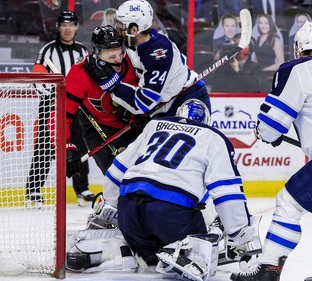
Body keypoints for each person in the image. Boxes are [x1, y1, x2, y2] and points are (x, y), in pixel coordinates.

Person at [96, 99, 261, 279]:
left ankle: (128, 251)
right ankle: (187, 253)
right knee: (212, 225)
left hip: (129, 212)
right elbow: (227, 193)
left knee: (150, 257)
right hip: (170, 216)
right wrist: (239, 234)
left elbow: (115, 171)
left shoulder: (155, 125)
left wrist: (111, 207)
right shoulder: (214, 137)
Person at [231, 21, 312, 281]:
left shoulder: (299, 69)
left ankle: (267, 271)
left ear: (299, 47)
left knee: (289, 203)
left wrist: (267, 133)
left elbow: (271, 126)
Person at [84, 0, 211, 120]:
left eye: (121, 25)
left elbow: (142, 102)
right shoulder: (133, 41)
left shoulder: (158, 54)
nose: (117, 28)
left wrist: (112, 84)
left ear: (134, 30)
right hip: (162, 105)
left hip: (186, 99)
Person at [25, 11, 93, 208]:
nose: (68, 28)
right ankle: (34, 190)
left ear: (76, 28)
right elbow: (38, 75)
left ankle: (82, 189)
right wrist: (53, 94)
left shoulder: (82, 52)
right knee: (45, 148)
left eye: (71, 25)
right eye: (64, 25)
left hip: (76, 107)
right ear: (58, 27)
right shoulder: (48, 50)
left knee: (80, 146)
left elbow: (88, 79)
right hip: (51, 105)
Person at [53, 25, 139, 181]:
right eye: (111, 57)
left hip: (134, 123)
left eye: (120, 53)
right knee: (117, 179)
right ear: (97, 53)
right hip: (98, 127)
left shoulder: (133, 62)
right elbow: (59, 116)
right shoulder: (80, 74)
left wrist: (144, 115)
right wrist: (66, 147)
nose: (118, 60)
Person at [252, 13, 285, 91]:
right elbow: (256, 58)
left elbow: (280, 62)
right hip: (257, 74)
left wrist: (264, 70)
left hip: (269, 76)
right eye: (260, 23)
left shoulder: (275, 40)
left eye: (266, 23)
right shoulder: (258, 38)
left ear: (270, 24)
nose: (263, 26)